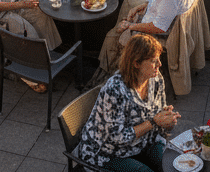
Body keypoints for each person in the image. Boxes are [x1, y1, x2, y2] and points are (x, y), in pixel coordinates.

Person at [73, 34, 179, 172]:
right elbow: (117, 137)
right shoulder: (115, 90)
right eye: (154, 61)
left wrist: (166, 120)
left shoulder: (156, 79)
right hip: (107, 152)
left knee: (170, 165)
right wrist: (153, 122)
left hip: (142, 141)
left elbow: (157, 115)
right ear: (136, 63)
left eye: (159, 59)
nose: (159, 64)